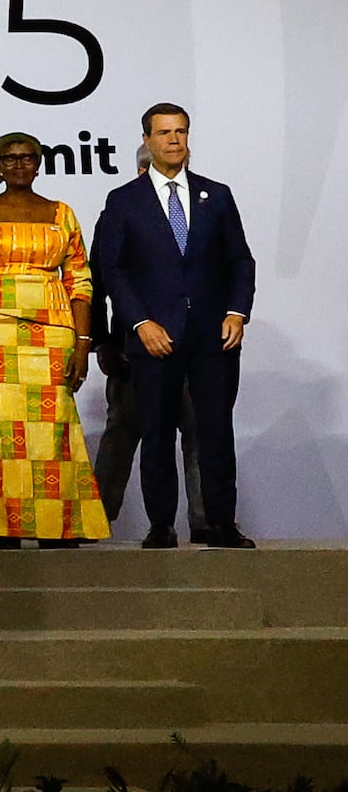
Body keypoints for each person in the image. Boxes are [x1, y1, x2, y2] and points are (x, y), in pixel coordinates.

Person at [91, 103, 255, 548]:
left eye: (181, 132)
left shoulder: (215, 195)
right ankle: (160, 525)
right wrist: (140, 322)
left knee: (215, 432)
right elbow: (114, 270)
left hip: (212, 338)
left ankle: (221, 524)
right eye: (164, 133)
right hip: (154, 339)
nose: (174, 140)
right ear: (147, 139)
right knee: (157, 433)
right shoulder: (124, 200)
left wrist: (237, 312)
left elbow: (240, 260)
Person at [0, 130, 107, 547]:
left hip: (52, 331)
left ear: (39, 163)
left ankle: (57, 526)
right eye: (9, 158)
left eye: (27, 157)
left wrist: (82, 343)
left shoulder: (62, 213)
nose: (19, 164)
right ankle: (6, 527)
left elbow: (80, 280)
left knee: (53, 428)